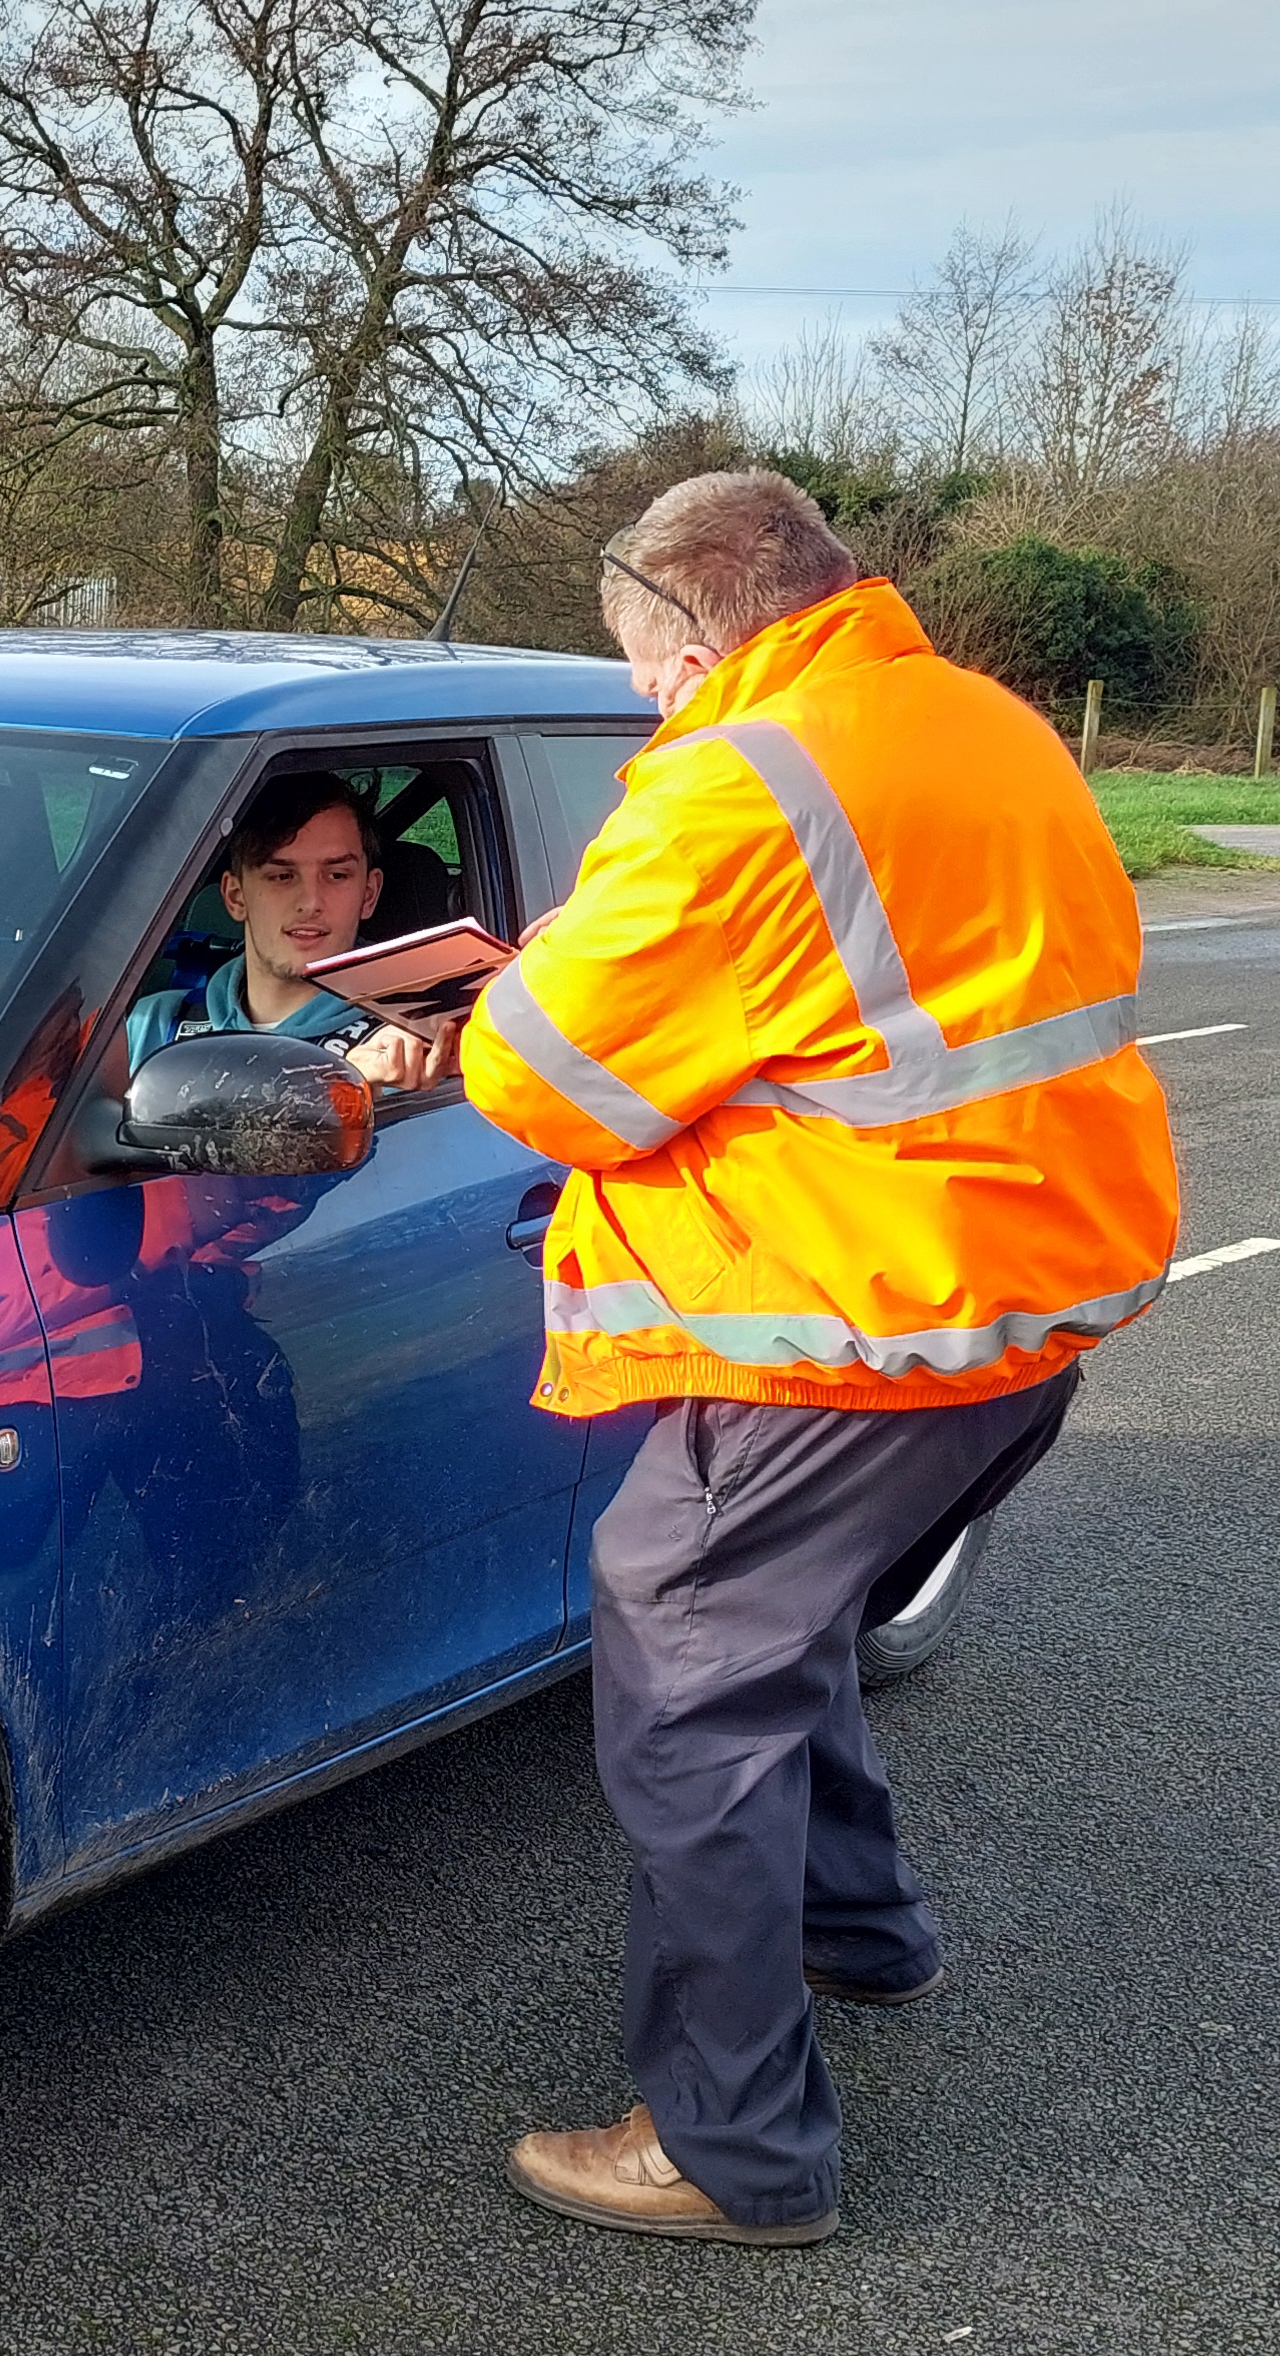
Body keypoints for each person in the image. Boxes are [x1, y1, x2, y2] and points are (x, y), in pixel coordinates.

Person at [461, 467, 1183, 2248]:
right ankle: (857, 1933)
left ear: (697, 627)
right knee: (783, 1628)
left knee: (688, 1666)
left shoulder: (736, 777)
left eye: (637, 656)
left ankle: (731, 2145)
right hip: (1019, 1304)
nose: (637, 692)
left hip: (854, 1315)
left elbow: (541, 1081)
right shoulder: (974, 717)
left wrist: (509, 984)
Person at [126, 786, 457, 1092]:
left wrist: (379, 1100)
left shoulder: (411, 1047)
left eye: (337, 875)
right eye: (282, 876)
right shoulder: (154, 1025)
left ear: (369, 894)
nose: (311, 902)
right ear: (236, 896)